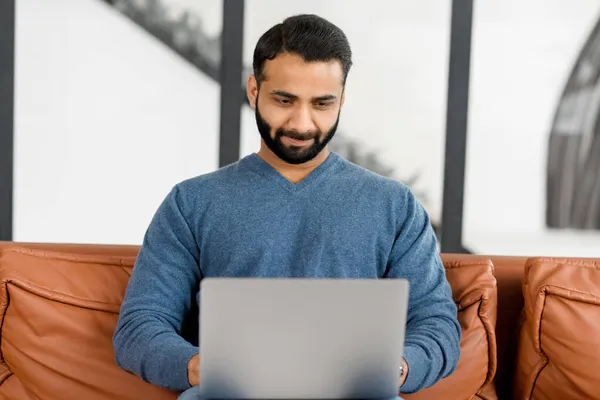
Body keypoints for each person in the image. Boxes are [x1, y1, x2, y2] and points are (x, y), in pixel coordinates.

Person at [113, 13, 461, 400]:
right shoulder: (190, 203)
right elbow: (139, 328)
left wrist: (395, 367)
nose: (302, 122)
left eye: (322, 103)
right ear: (253, 90)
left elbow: (436, 325)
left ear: (342, 99)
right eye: (284, 99)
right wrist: (199, 366)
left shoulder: (394, 206)